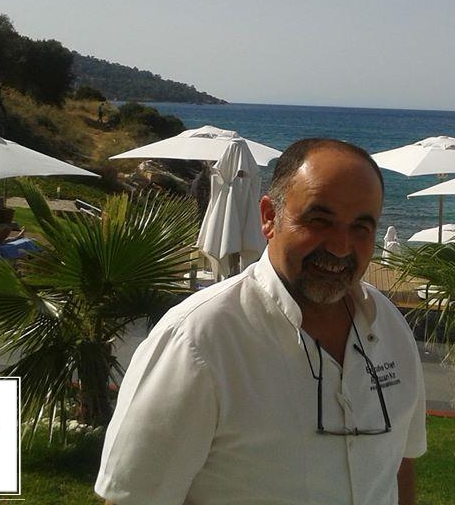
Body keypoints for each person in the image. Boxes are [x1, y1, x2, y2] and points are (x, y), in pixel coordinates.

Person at [96, 139, 426, 505]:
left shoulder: (389, 327)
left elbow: (399, 464)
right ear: (269, 217)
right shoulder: (197, 341)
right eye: (319, 220)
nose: (340, 246)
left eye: (361, 227)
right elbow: (134, 498)